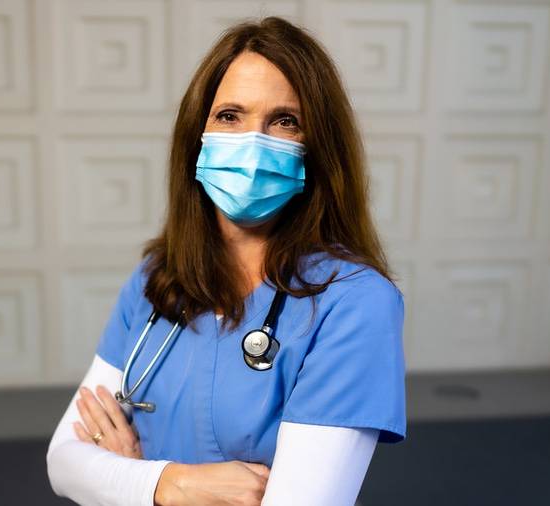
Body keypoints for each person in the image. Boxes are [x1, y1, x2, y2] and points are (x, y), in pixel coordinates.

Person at [46, 16, 406, 506]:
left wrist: (125, 479)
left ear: (317, 148)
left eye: (285, 121)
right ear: (198, 134)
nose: (252, 144)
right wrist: (170, 485)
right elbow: (64, 461)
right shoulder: (158, 278)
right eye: (229, 116)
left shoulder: (355, 304)